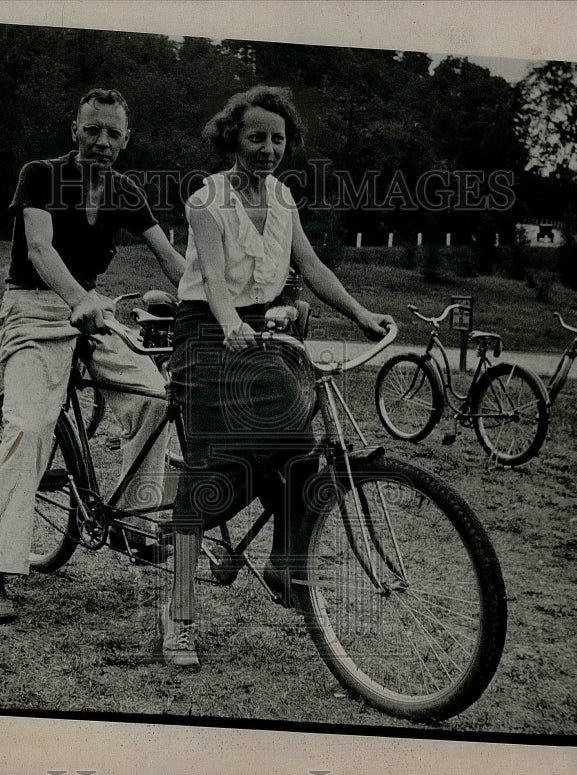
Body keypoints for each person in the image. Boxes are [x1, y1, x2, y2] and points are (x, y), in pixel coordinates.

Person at [161, 86, 394, 666]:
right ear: (233, 139)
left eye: (278, 139)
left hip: (263, 333)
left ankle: (284, 564)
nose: (268, 149)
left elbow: (310, 265)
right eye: (256, 137)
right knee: (211, 469)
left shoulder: (284, 199)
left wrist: (361, 314)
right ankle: (178, 615)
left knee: (299, 449)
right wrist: (229, 325)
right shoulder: (206, 199)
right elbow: (214, 281)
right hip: (207, 333)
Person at [0, 88, 185, 622]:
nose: (102, 141)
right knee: (30, 425)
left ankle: (132, 524)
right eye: (93, 130)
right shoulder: (42, 175)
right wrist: (77, 298)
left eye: (113, 133)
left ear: (126, 139)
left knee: (155, 399)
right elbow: (39, 248)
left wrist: (220, 305)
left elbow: (171, 259)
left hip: (92, 310)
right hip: (34, 309)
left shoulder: (126, 191)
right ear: (75, 131)